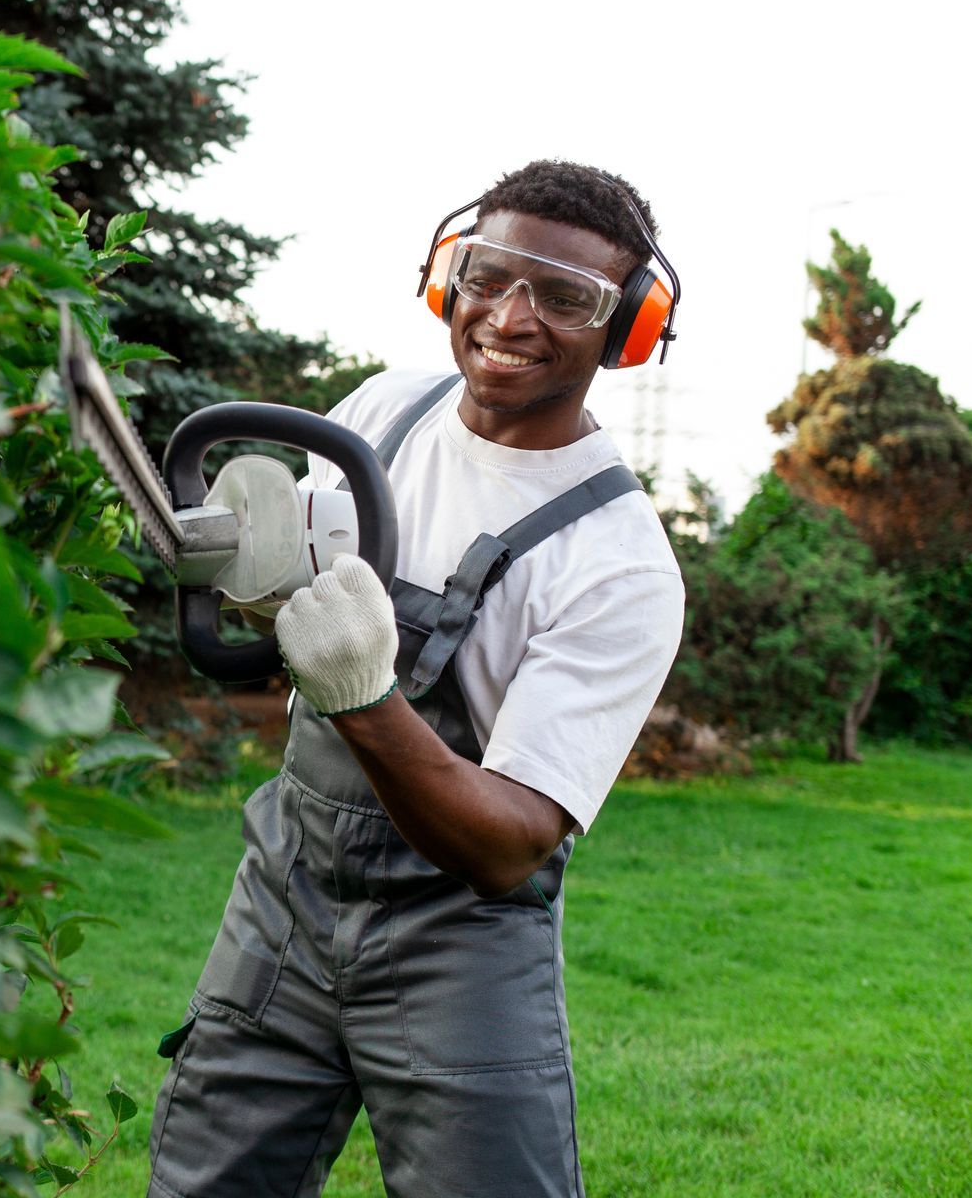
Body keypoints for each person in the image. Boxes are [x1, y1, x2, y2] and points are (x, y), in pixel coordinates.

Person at [146, 160, 686, 1198]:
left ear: (625, 330)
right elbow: (292, 593)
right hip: (286, 892)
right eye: (488, 275)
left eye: (564, 296)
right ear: (450, 276)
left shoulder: (618, 563)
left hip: (457, 944)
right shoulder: (384, 414)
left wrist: (365, 695)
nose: (510, 316)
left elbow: (507, 843)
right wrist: (238, 562)